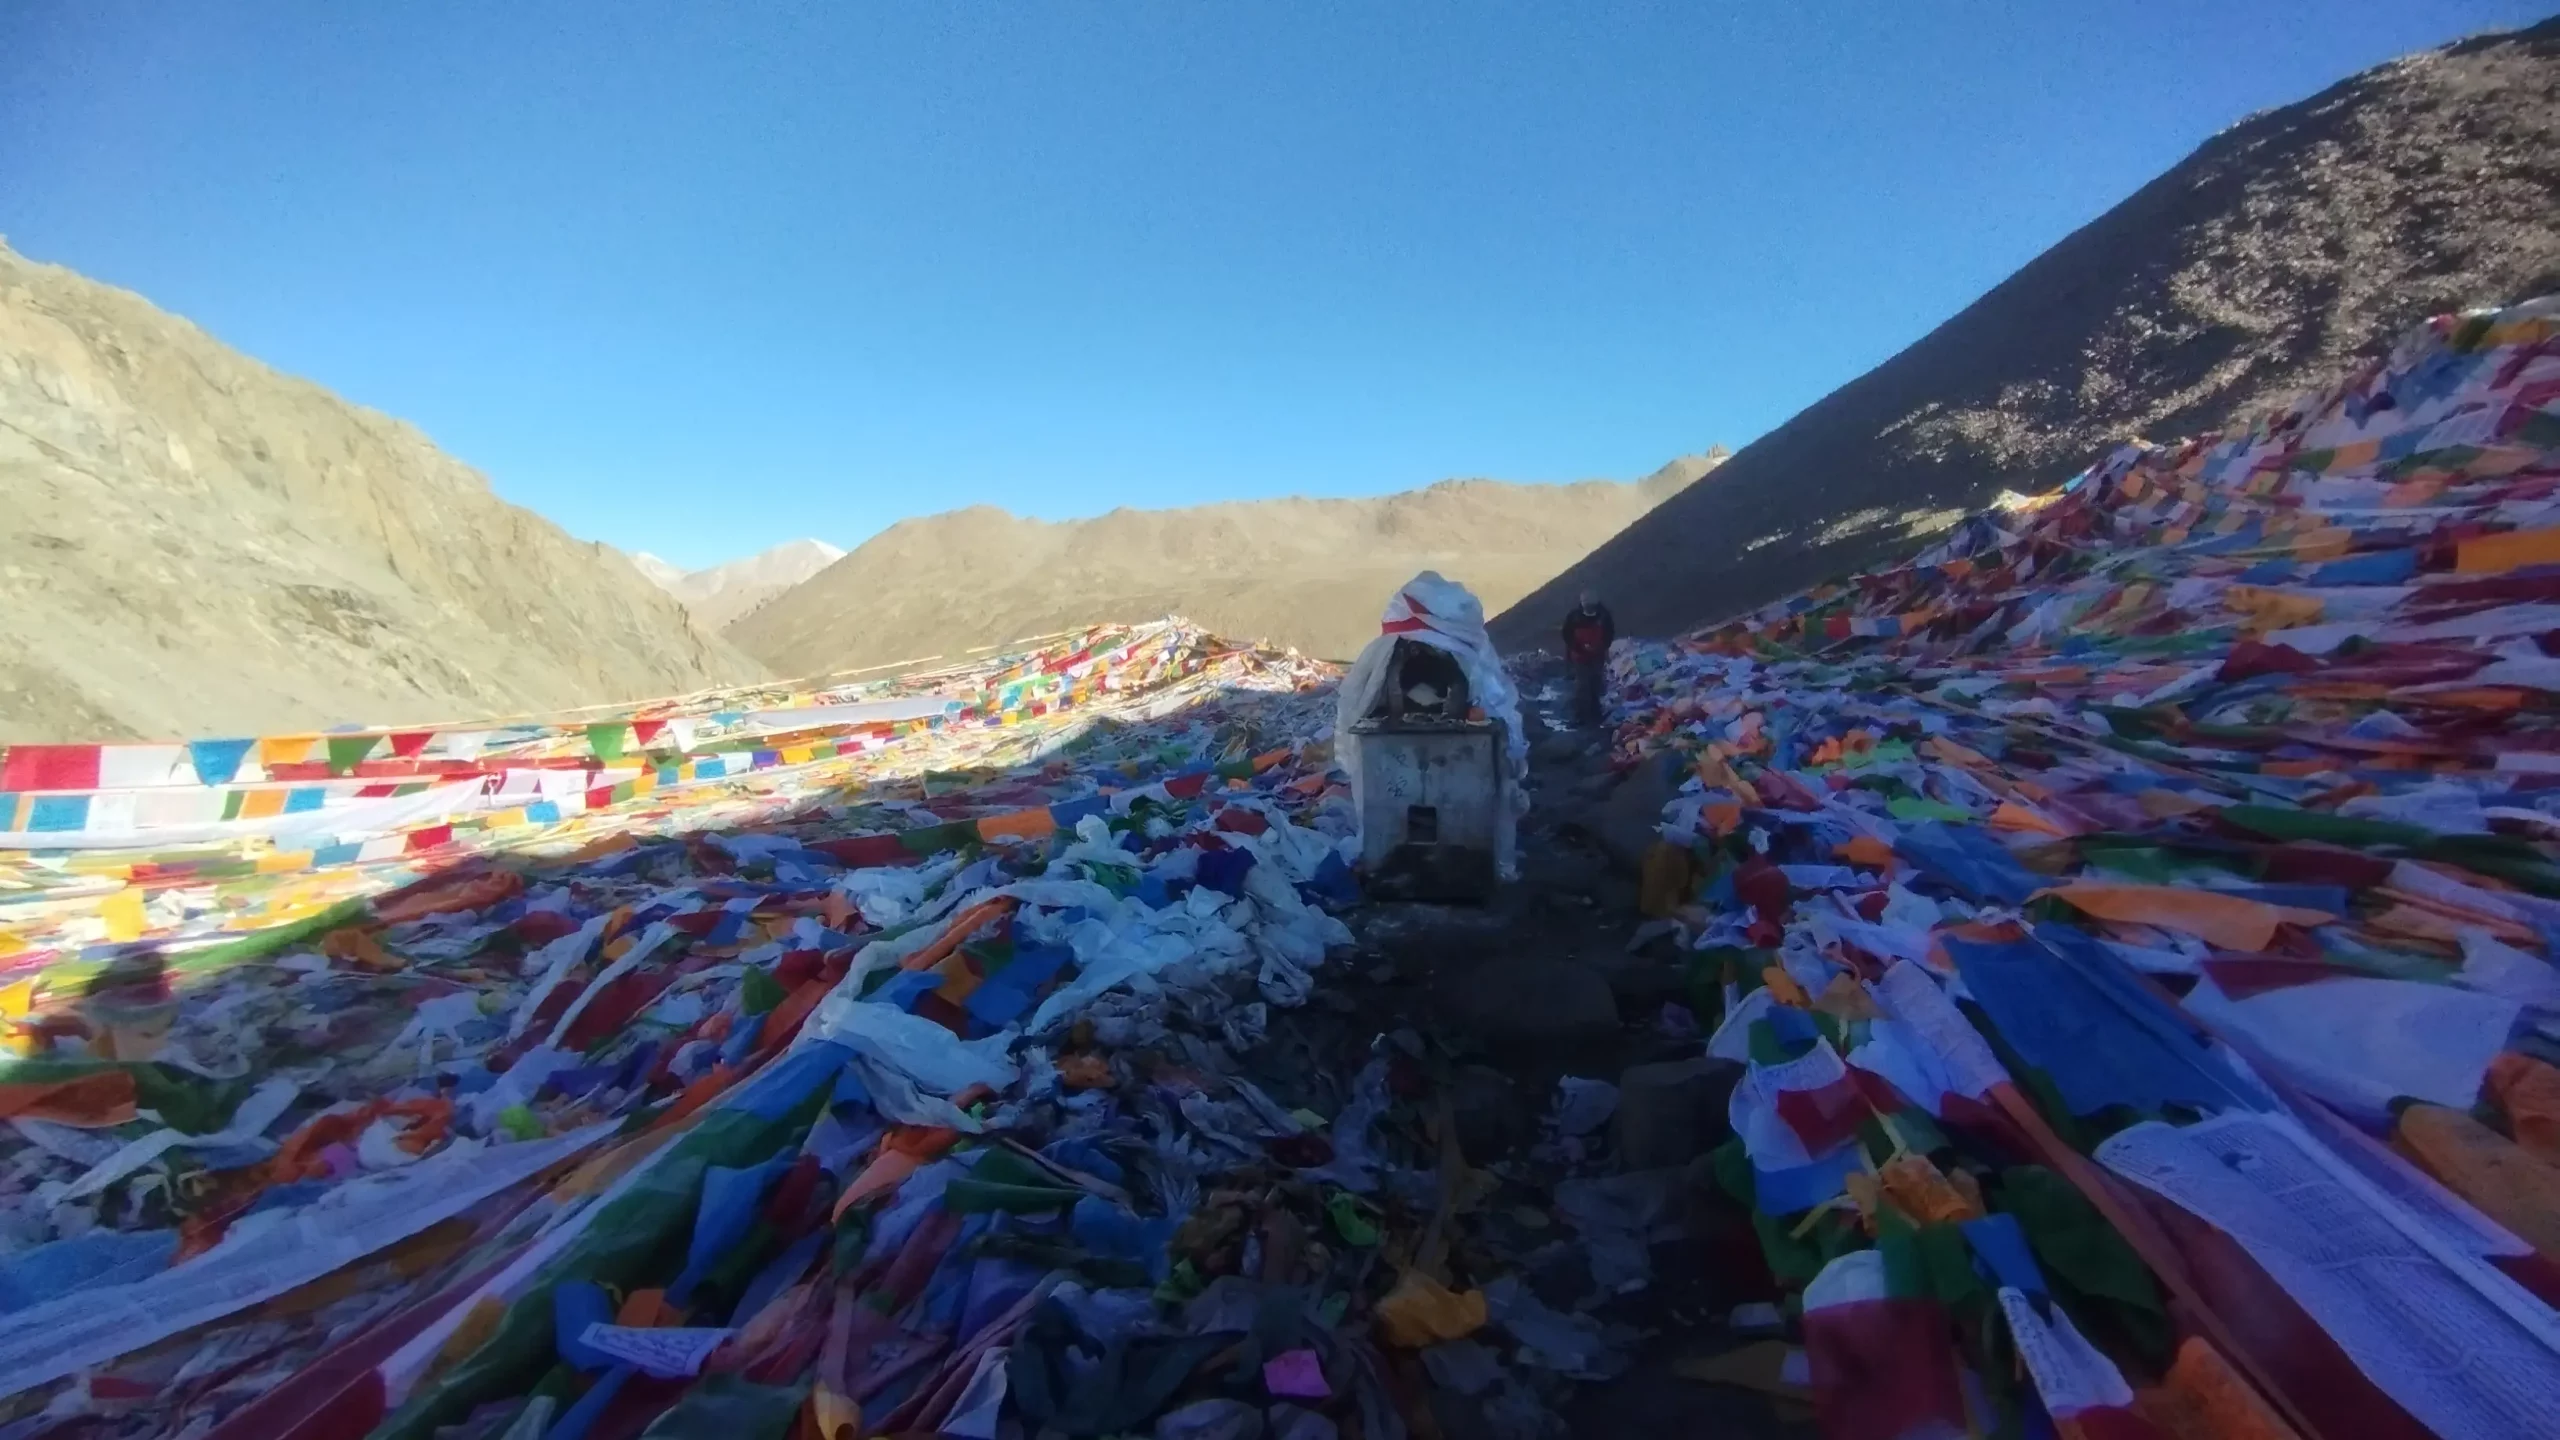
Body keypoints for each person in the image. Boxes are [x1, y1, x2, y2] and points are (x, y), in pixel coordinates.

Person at [1560, 589, 1615, 727]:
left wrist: (1601, 646)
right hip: (1580, 656)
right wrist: (1578, 647)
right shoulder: (1574, 617)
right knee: (1582, 685)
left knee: (1596, 683)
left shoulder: (1604, 616)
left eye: (1591, 606)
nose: (1589, 609)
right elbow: (1567, 634)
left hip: (1597, 655)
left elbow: (1609, 634)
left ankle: (1595, 713)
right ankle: (1580, 715)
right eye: (1587, 606)